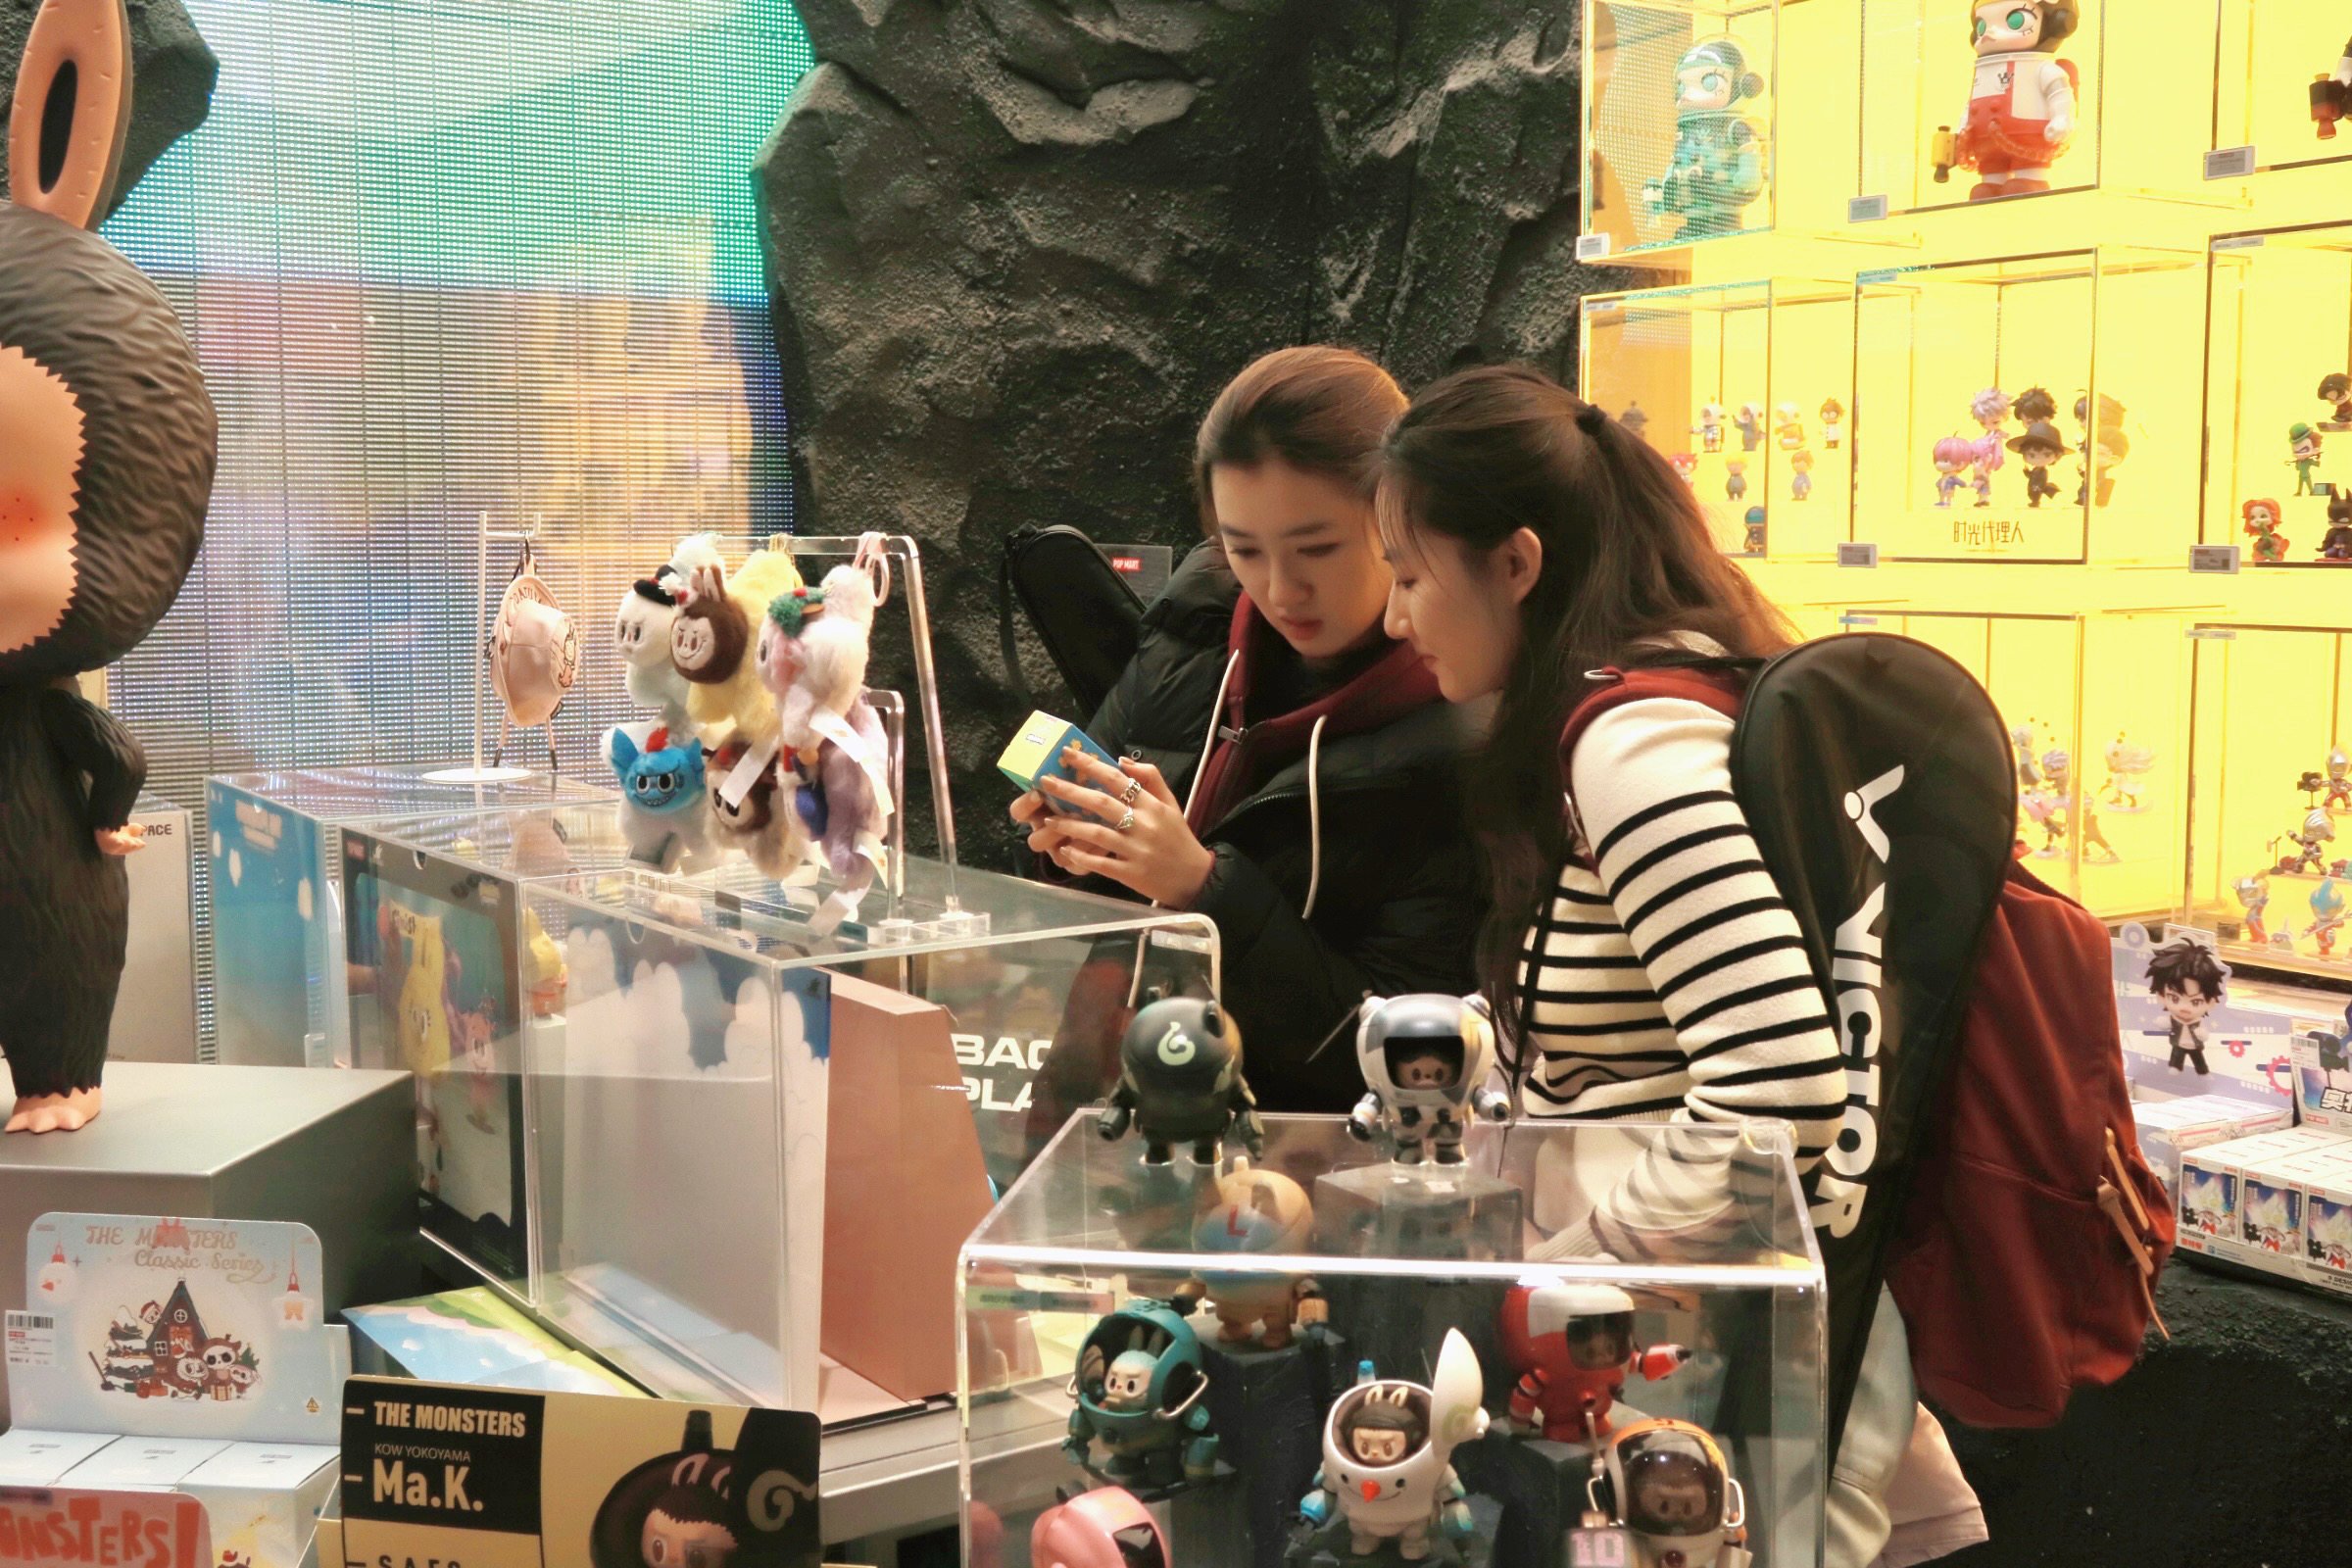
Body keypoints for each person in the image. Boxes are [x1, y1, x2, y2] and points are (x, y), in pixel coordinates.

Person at [1373, 364, 1984, 1568]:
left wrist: (1574, 1272)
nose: (1396, 619)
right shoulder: (1668, 693)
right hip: (1702, 1335)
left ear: (1517, 563)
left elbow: (1776, 1082)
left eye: (1408, 575)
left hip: (1698, 1353)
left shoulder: (1632, 744)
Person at [1011, 346, 1485, 1111]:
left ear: (1399, 519)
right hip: (1115, 1113)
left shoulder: (1461, 707)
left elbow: (1406, 1055)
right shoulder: (1198, 619)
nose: (1278, 588)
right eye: (1244, 548)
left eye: (1317, 548)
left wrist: (1201, 886)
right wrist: (1076, 840)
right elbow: (1092, 893)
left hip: (1306, 1173)